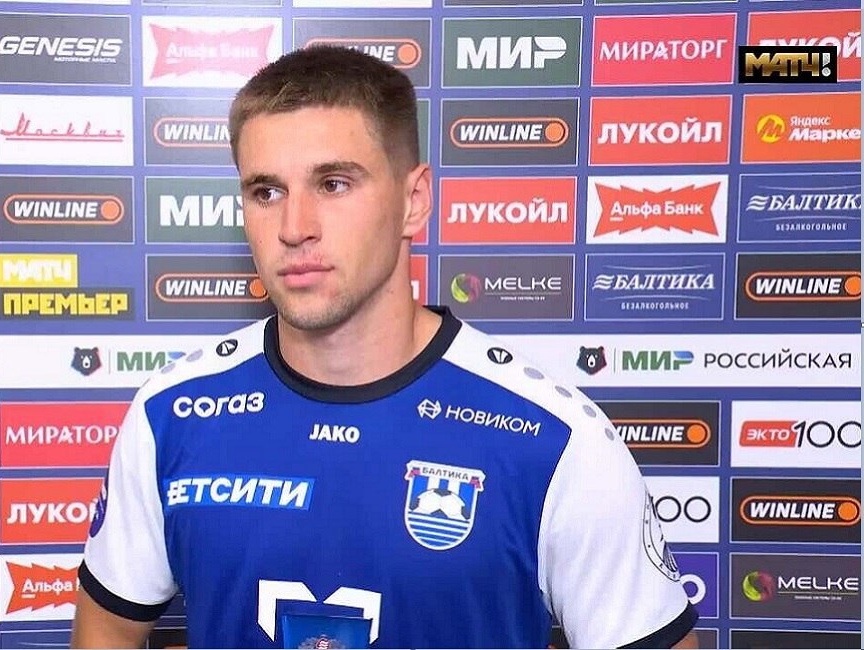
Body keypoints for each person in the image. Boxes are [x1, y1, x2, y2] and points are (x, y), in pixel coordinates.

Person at [70, 45, 699, 649]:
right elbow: (106, 631)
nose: (294, 228)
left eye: (334, 184)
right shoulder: (172, 413)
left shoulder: (554, 439)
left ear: (413, 201)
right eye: (266, 192)